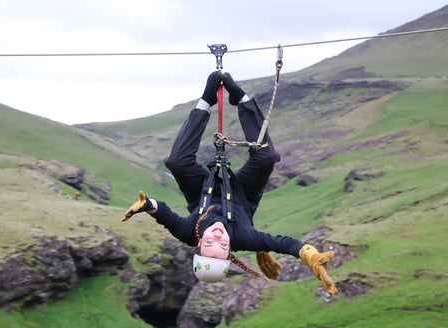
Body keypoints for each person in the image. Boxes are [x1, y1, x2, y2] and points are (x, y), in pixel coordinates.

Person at [122, 71, 337, 295]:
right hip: (242, 195)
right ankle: (242, 100)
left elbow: (164, 214)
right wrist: (310, 256)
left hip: (202, 193)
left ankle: (206, 102)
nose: (218, 237)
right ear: (230, 250)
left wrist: (147, 205)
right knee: (267, 158)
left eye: (210, 244)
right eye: (223, 246)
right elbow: (282, 243)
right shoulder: (244, 237)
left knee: (176, 162)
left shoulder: (187, 232)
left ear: (198, 244)